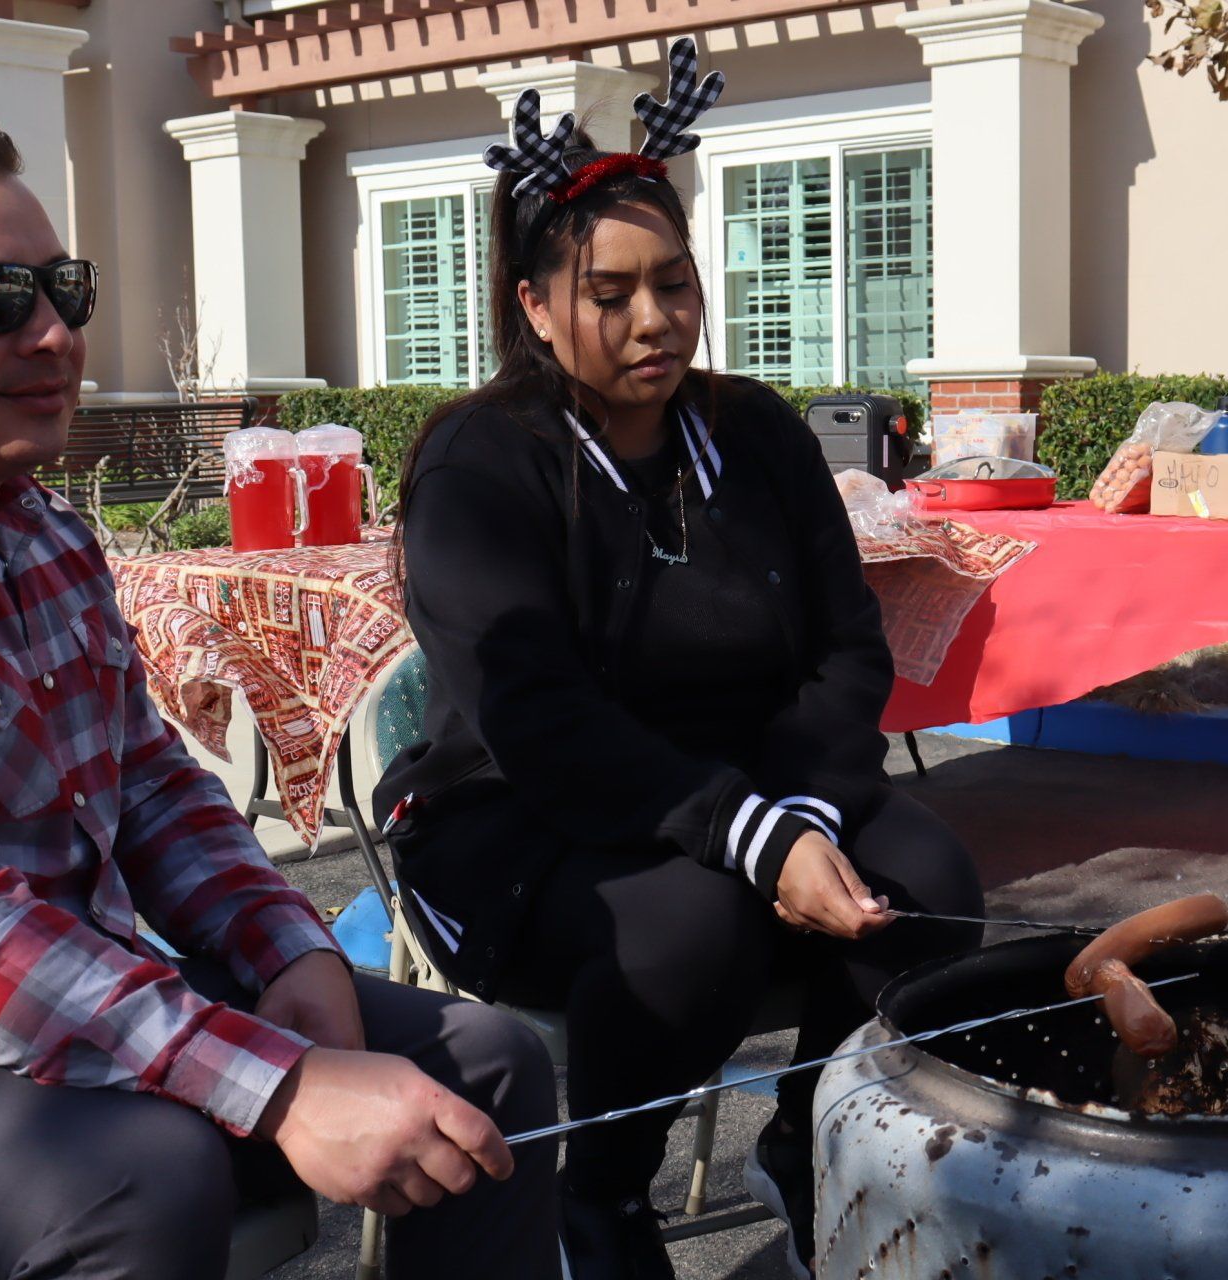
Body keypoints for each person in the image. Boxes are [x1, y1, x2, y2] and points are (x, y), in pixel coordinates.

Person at [0, 111, 559, 1280]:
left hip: (62, 1011)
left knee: (483, 1064)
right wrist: (279, 1084)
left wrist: (289, 954)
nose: (54, 332)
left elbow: (151, 782)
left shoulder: (36, 527)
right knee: (144, 1169)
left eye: (63, 288)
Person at [375, 42, 984, 1280]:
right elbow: (539, 718)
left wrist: (798, 809)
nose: (654, 319)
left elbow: (844, 650)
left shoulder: (754, 432)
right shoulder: (479, 466)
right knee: (698, 921)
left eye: (675, 283)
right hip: (524, 821)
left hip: (745, 787)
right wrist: (756, 839)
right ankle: (599, 1194)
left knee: (928, 878)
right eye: (610, 292)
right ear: (536, 304)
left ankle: (812, 1138)